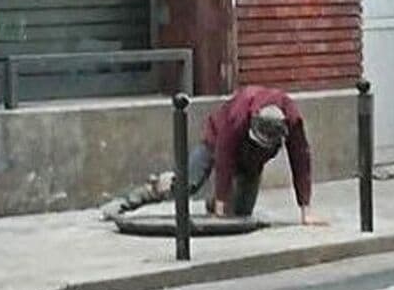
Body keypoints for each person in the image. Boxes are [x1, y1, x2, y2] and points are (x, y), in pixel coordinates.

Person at [101, 86, 324, 225]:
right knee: (187, 185)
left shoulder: (292, 120)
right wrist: (221, 201)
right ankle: (135, 198)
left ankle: (214, 204)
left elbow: (301, 161)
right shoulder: (240, 114)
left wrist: (306, 209)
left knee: (241, 214)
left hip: (252, 162)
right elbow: (223, 158)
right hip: (216, 141)